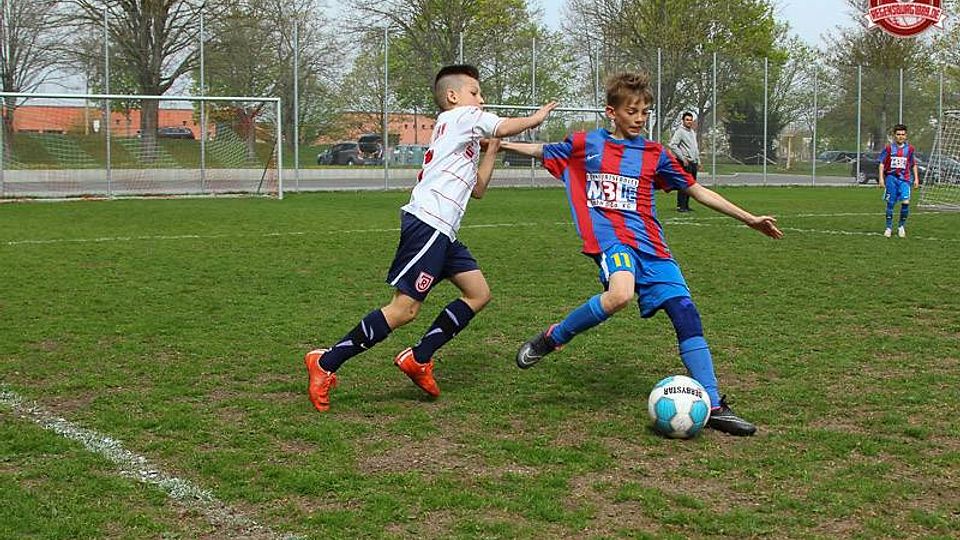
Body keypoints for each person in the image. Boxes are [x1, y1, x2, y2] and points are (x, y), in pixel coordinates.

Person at [499, 72, 783, 436]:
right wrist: (501, 144)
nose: (639, 118)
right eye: (631, 111)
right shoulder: (587, 143)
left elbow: (697, 191)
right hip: (612, 242)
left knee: (686, 312)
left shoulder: (655, 154)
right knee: (619, 295)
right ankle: (553, 337)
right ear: (611, 112)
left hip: (652, 246)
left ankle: (713, 405)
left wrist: (749, 219)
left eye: (645, 112)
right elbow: (543, 150)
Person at [304, 64, 558, 413]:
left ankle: (419, 358)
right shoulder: (460, 118)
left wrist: (491, 150)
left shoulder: (459, 134)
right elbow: (502, 125)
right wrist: (536, 117)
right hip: (429, 223)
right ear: (453, 96)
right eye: (475, 92)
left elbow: (478, 189)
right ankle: (326, 362)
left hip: (444, 231)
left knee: (478, 293)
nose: (481, 99)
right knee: (404, 310)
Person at [877, 124, 919, 238]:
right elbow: (881, 163)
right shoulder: (889, 148)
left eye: (903, 134)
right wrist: (881, 179)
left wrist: (916, 179)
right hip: (891, 178)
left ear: (906, 136)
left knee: (906, 202)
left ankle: (901, 227)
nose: (901, 136)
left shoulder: (910, 149)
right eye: (898, 134)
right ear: (894, 135)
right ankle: (888, 228)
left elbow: (913, 164)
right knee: (890, 203)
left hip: (905, 179)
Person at [668, 111, 700, 212]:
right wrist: (682, 158)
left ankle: (686, 205)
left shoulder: (692, 132)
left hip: (693, 162)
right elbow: (672, 145)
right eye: (687, 120)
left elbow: (694, 147)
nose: (689, 122)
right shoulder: (680, 131)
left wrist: (698, 160)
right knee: (684, 184)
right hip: (685, 162)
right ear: (683, 121)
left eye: (690, 120)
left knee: (691, 185)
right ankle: (681, 206)